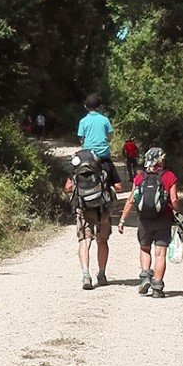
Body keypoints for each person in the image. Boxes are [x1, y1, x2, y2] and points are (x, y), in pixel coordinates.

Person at [71, 93, 122, 290]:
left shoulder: (83, 121)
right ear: (100, 107)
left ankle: (85, 275)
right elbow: (118, 187)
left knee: (84, 239)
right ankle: (101, 274)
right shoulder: (105, 120)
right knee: (102, 240)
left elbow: (68, 186)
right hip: (101, 204)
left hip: (83, 205)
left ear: (85, 107)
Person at [117, 147, 180, 298]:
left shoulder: (140, 178)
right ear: (161, 160)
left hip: (144, 220)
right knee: (160, 254)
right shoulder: (169, 176)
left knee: (145, 248)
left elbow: (131, 199)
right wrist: (178, 213)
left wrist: (122, 220)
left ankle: (145, 276)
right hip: (163, 220)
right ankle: (157, 286)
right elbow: (174, 199)